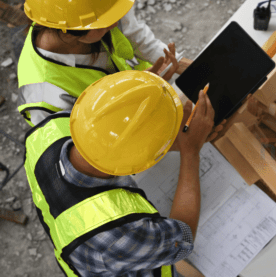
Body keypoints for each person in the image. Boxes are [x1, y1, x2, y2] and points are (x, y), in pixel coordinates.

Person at [24, 70, 215, 276]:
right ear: (138, 162)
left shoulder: (49, 129)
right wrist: (191, 151)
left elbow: (114, 132)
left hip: (74, 245)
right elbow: (182, 238)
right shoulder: (119, 235)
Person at [17, 0, 181, 127]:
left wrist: (184, 65)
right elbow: (88, 150)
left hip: (152, 97)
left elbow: (138, 36)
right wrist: (136, 96)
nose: (115, 23)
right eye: (104, 23)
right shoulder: (43, 96)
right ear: (68, 31)